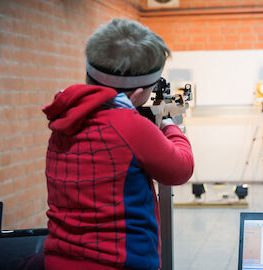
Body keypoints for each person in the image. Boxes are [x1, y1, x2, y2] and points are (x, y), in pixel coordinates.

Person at [41, 19, 194, 270]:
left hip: (59, 258)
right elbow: (181, 169)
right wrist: (170, 124)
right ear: (136, 96)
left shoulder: (65, 117)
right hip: (120, 262)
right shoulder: (131, 126)